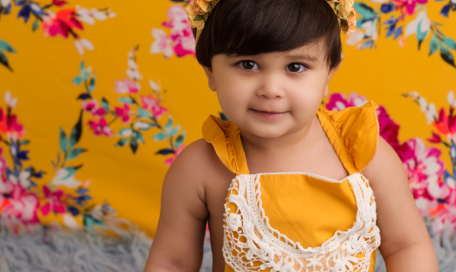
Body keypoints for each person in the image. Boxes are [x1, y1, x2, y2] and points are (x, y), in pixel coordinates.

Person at [144, 0, 438, 271]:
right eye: (248, 64)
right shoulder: (199, 168)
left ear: (329, 74)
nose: (271, 89)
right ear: (210, 71)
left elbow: (406, 246)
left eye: (295, 67)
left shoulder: (363, 152)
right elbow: (172, 262)